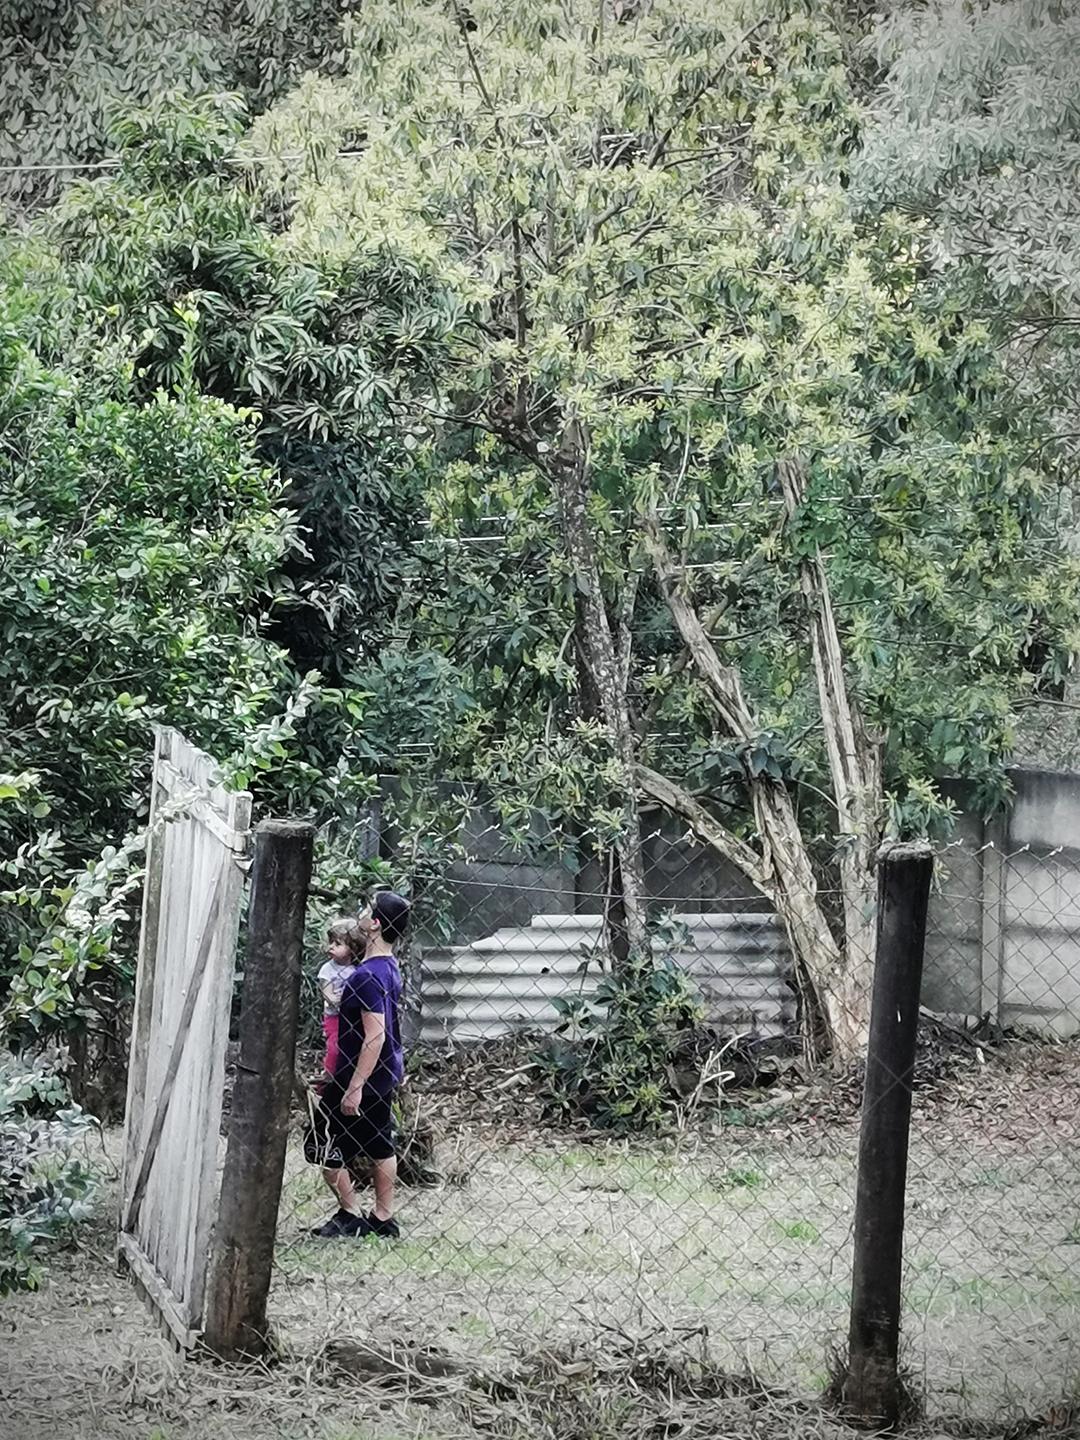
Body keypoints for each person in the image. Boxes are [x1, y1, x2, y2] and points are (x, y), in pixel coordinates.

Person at [310, 890, 410, 1239]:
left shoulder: (365, 976)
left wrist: (354, 1086)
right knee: (381, 1143)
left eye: (367, 910)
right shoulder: (388, 968)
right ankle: (383, 1218)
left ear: (375, 925)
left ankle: (350, 1212)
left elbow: (375, 1035)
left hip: (357, 1075)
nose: (361, 914)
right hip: (382, 1075)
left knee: (322, 1146)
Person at [317, 918, 363, 1082]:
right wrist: (339, 998)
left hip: (353, 1017)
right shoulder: (327, 969)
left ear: (352, 948)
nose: (331, 947)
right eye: (331, 943)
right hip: (334, 1017)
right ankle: (327, 1080)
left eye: (337, 944)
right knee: (334, 1049)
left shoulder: (357, 969)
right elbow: (328, 995)